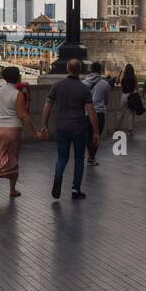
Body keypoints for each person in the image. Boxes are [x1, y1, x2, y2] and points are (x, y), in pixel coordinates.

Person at [41, 58, 100, 199]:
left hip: (61, 127)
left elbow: (47, 106)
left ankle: (58, 178)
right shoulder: (84, 89)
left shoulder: (57, 86)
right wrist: (96, 131)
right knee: (79, 158)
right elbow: (91, 111)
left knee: (62, 157)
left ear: (68, 68)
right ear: (80, 70)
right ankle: (75, 189)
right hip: (79, 128)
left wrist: (44, 125)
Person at [0, 66, 38, 199]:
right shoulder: (18, 94)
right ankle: (12, 190)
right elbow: (23, 115)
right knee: (12, 158)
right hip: (13, 130)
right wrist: (34, 131)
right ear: (18, 77)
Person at [83, 61, 111, 166]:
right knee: (97, 135)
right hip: (99, 113)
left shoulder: (84, 83)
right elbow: (107, 100)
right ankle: (92, 157)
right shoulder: (105, 84)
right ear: (100, 71)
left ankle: (90, 156)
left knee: (88, 135)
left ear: (91, 70)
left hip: (87, 113)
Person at [116, 63, 142, 133]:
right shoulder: (134, 77)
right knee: (131, 114)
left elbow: (117, 82)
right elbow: (136, 87)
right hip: (132, 95)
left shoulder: (123, 77)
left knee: (121, 113)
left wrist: (119, 73)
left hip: (124, 95)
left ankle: (117, 128)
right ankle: (130, 130)